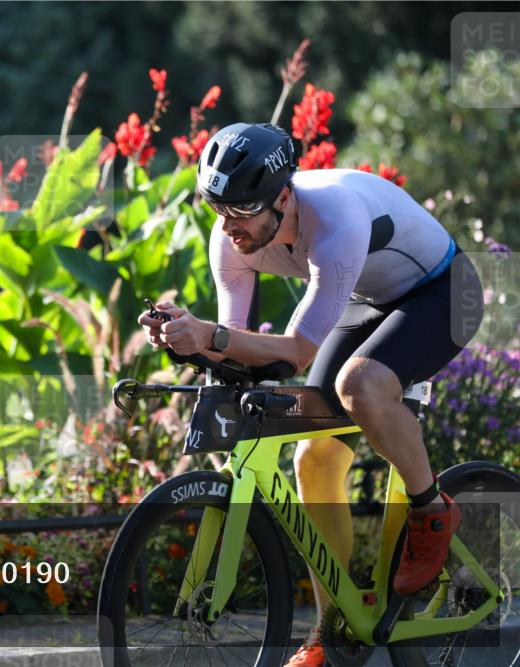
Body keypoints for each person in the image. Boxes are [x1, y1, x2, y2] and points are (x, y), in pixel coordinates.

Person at [138, 122, 483, 667]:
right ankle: (331, 629)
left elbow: (296, 352)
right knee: (313, 457)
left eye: (241, 209)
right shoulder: (232, 239)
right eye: (217, 208)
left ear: (282, 197)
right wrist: (186, 340)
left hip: (443, 291)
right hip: (368, 297)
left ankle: (431, 511)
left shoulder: (334, 217)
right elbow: (240, 349)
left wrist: (211, 336)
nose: (228, 225)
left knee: (360, 385)